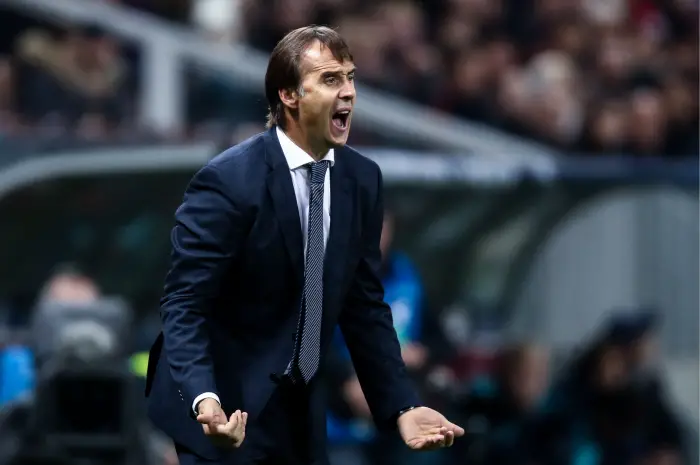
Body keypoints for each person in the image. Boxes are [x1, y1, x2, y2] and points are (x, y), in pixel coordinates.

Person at [145, 25, 464, 465]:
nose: (348, 92)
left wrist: (401, 407)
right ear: (289, 96)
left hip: (302, 408)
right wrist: (204, 399)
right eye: (331, 80)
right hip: (225, 405)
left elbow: (365, 307)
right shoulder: (230, 181)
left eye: (350, 77)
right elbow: (185, 304)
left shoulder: (362, 180)